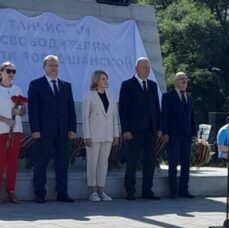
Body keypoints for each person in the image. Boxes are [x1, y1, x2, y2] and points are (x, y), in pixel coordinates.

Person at [28, 55, 77, 203]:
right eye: (50, 65)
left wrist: (72, 129)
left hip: (62, 132)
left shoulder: (65, 86)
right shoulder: (36, 84)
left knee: (62, 164)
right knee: (41, 163)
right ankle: (40, 193)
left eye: (56, 65)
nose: (53, 68)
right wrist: (35, 129)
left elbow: (71, 110)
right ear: (44, 67)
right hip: (43, 132)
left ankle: (62, 193)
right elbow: (33, 109)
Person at [119, 57, 161, 200]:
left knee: (150, 161)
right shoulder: (127, 85)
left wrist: (159, 127)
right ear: (136, 68)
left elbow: (156, 108)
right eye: (144, 67)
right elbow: (123, 109)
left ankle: (147, 190)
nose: (147, 70)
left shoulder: (153, 85)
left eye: (148, 67)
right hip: (134, 131)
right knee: (133, 161)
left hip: (151, 130)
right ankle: (130, 191)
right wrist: (125, 129)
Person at [82, 70, 119, 201]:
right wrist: (87, 135)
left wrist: (115, 134)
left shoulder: (111, 96)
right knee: (92, 163)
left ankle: (101, 190)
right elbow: (85, 117)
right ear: (96, 80)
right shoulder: (89, 96)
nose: (106, 81)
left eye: (106, 79)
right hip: (94, 135)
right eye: (103, 79)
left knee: (103, 163)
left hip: (107, 134)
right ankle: (92, 191)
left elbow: (114, 117)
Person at [161, 72, 197, 199]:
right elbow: (164, 115)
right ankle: (173, 191)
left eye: (186, 80)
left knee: (186, 163)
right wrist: (165, 132)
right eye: (182, 79)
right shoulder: (168, 96)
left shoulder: (189, 97)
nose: (185, 82)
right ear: (175, 81)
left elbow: (192, 117)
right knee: (173, 163)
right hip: (173, 135)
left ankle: (184, 190)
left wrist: (194, 133)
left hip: (186, 135)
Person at [0, 61, 26, 204]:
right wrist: (6, 120)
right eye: (8, 71)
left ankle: (11, 191)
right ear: (1, 72)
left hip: (15, 131)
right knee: (0, 162)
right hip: (1, 131)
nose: (11, 74)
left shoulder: (17, 89)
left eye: (13, 71)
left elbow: (23, 110)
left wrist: (19, 111)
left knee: (12, 163)